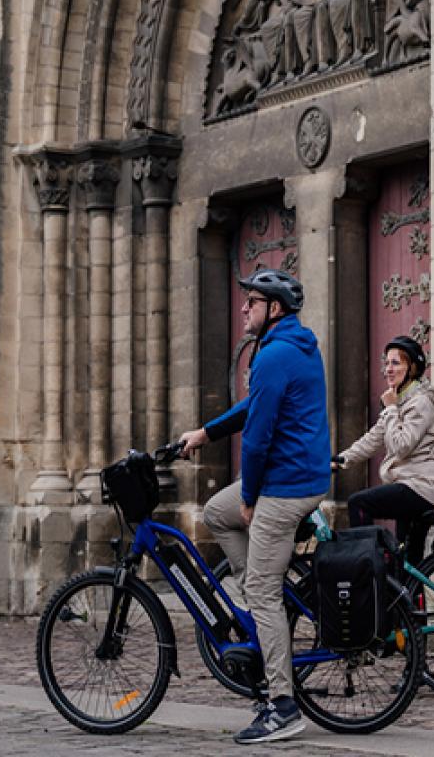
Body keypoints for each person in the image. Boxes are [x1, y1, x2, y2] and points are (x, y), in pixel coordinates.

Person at [177, 267, 329, 745]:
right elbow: (252, 407)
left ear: (274, 308)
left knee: (263, 590)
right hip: (295, 477)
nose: (244, 308)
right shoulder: (292, 347)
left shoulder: (274, 354)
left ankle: (283, 707)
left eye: (253, 301)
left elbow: (259, 439)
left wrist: (249, 498)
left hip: (286, 486)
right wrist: (206, 432)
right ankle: (255, 591)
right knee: (215, 513)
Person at [334, 335, 434, 561]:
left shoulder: (420, 403)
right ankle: (400, 578)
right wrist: (340, 460)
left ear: (412, 368)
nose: (388, 369)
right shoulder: (400, 402)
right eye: (386, 363)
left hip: (419, 487)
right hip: (408, 485)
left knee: (359, 504)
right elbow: (372, 440)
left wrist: (391, 409)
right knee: (407, 564)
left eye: (395, 363)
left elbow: (401, 446)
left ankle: (369, 563)